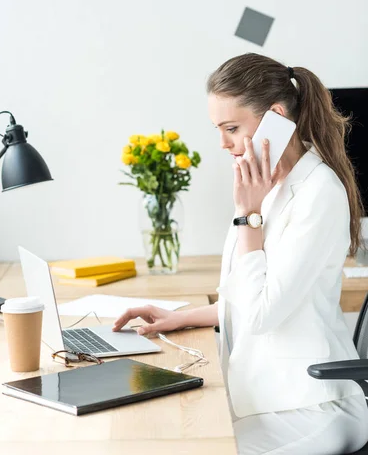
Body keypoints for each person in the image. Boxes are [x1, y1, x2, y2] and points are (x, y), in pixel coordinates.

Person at [113, 53, 368, 455]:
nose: (222, 142)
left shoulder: (319, 193)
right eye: (218, 129)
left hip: (314, 405)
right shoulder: (265, 185)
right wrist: (180, 317)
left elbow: (264, 314)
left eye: (232, 128)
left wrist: (248, 215)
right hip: (265, 396)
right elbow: (247, 296)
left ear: (277, 116)